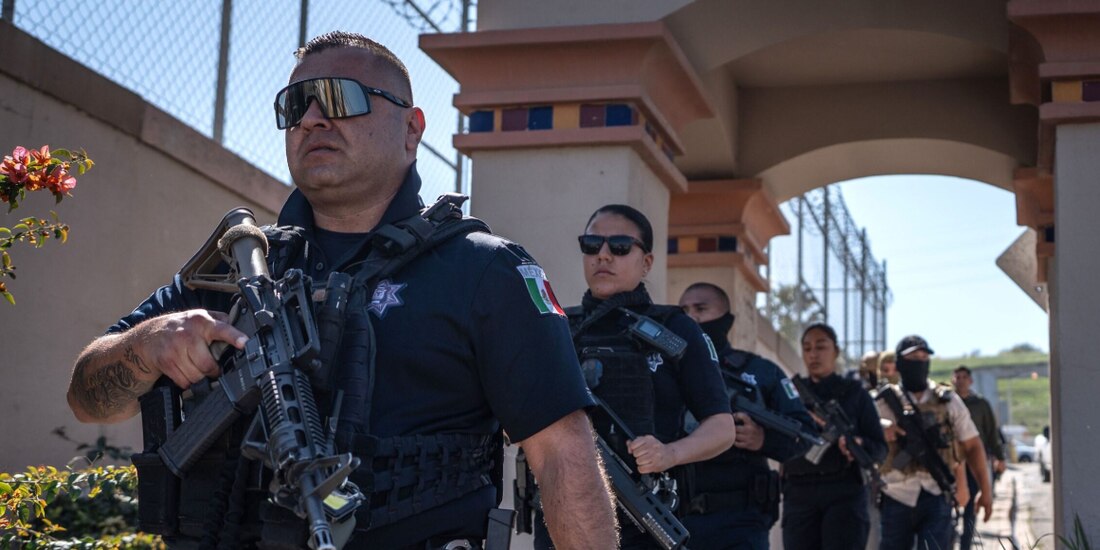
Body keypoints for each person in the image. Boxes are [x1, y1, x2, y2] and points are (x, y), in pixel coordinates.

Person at [66, 31, 617, 549]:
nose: (311, 119)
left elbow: (563, 456)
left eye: (339, 98)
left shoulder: (484, 272)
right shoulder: (239, 268)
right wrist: (148, 343)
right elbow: (87, 399)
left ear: (412, 128)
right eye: (295, 103)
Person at [533, 204, 735, 550]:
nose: (604, 256)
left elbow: (722, 427)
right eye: (592, 244)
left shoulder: (674, 328)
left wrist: (669, 454)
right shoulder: (559, 327)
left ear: (647, 262)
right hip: (564, 515)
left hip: (645, 520)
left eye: (621, 246)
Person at [678, 283, 816, 549]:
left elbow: (805, 436)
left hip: (741, 522)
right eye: (684, 310)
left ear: (726, 319)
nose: (691, 316)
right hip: (675, 519)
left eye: (701, 309)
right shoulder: (663, 368)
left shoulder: (761, 372)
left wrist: (762, 439)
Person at [876, 336, 993, 550]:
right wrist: (880, 428)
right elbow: (860, 436)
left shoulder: (947, 400)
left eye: (923, 357)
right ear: (900, 364)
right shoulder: (883, 401)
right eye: (913, 358)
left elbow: (971, 445)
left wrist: (985, 492)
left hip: (936, 493)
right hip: (895, 493)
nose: (920, 362)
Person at [782, 323, 887, 550]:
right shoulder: (790, 394)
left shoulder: (855, 394)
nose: (813, 354)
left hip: (844, 493)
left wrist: (859, 444)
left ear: (836, 352)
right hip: (799, 493)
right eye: (807, 348)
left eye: (821, 347)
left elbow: (880, 448)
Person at [953, 365, 1006, 550]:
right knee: (950, 503)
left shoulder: (981, 404)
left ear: (970, 380)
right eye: (957, 377)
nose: (960, 380)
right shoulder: (947, 402)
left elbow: (991, 433)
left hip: (975, 461)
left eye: (963, 377)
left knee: (970, 504)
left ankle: (965, 544)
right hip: (953, 460)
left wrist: (1000, 458)